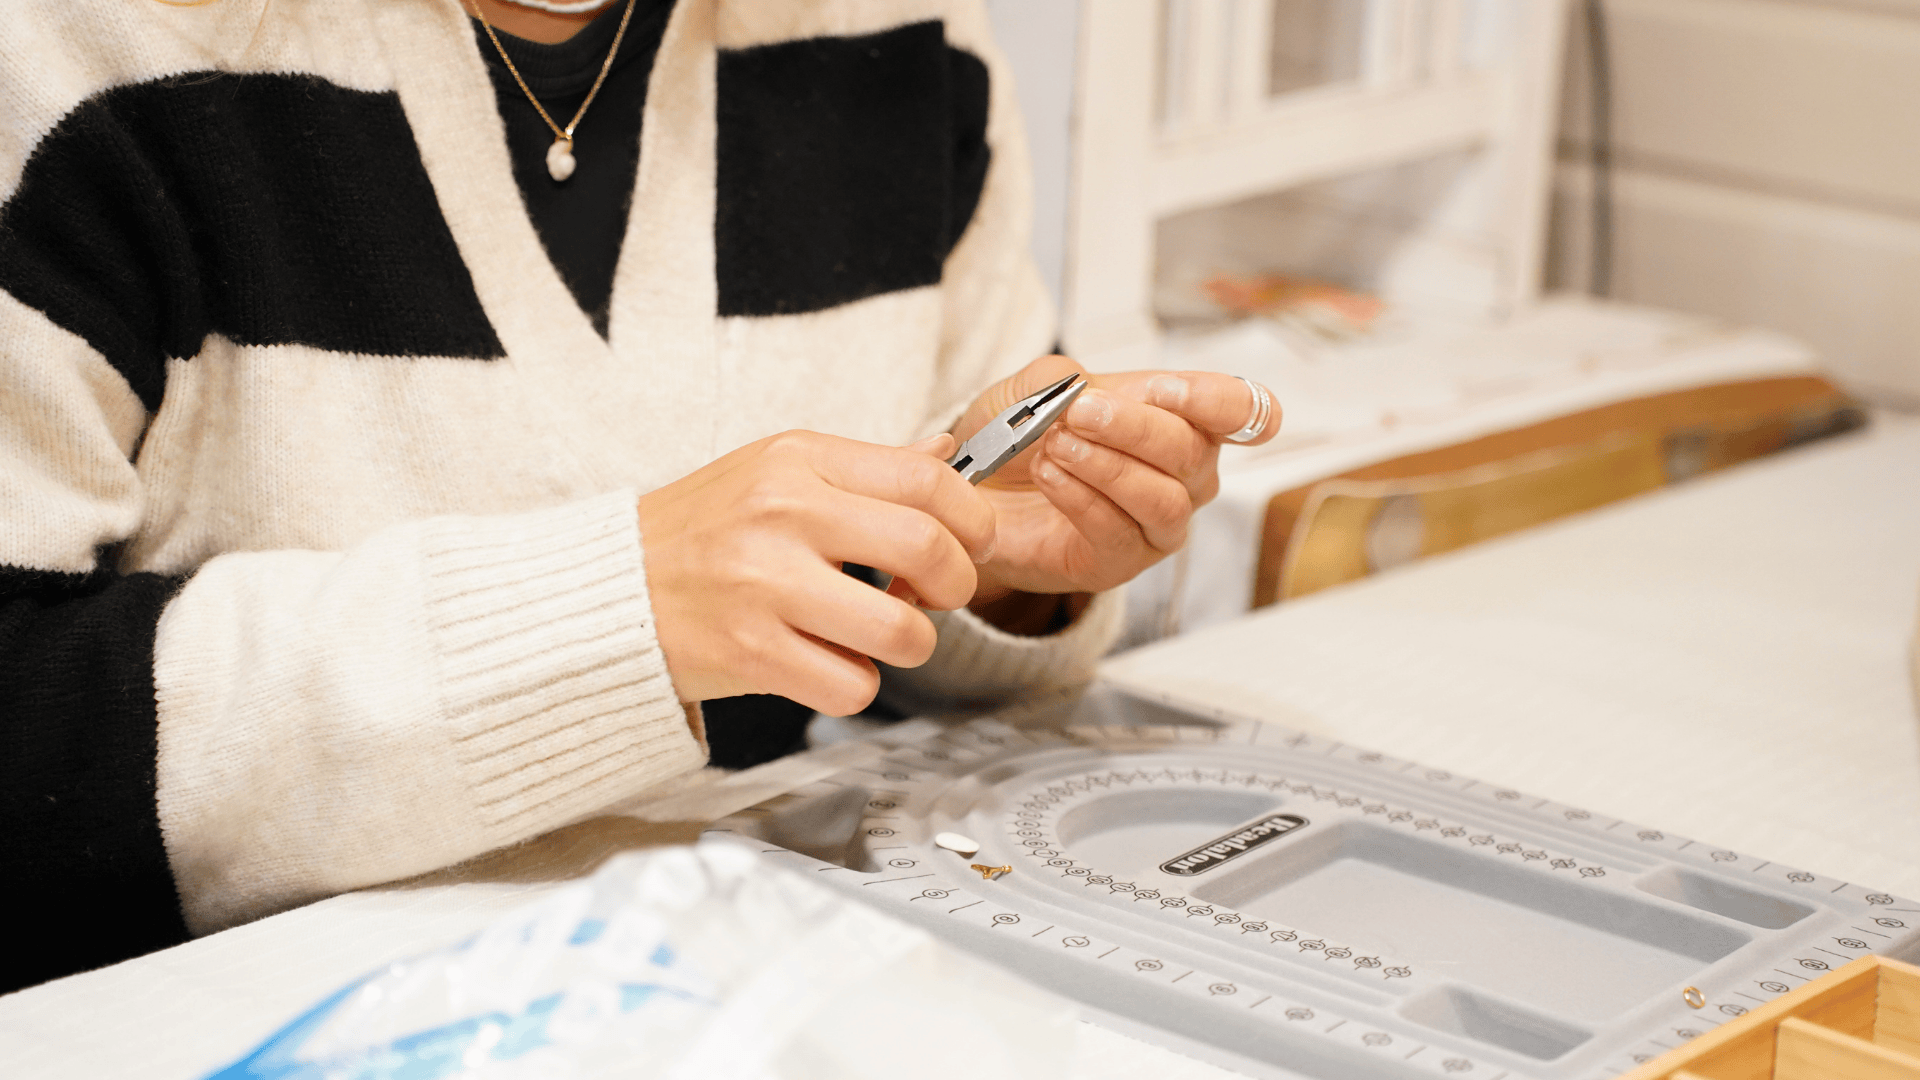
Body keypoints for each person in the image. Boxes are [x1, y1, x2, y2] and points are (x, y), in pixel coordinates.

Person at [0, 0, 1278, 993]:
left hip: (742, 974)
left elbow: (901, 601)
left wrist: (992, 576)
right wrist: (620, 610)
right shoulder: (66, 56)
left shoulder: (903, 36)